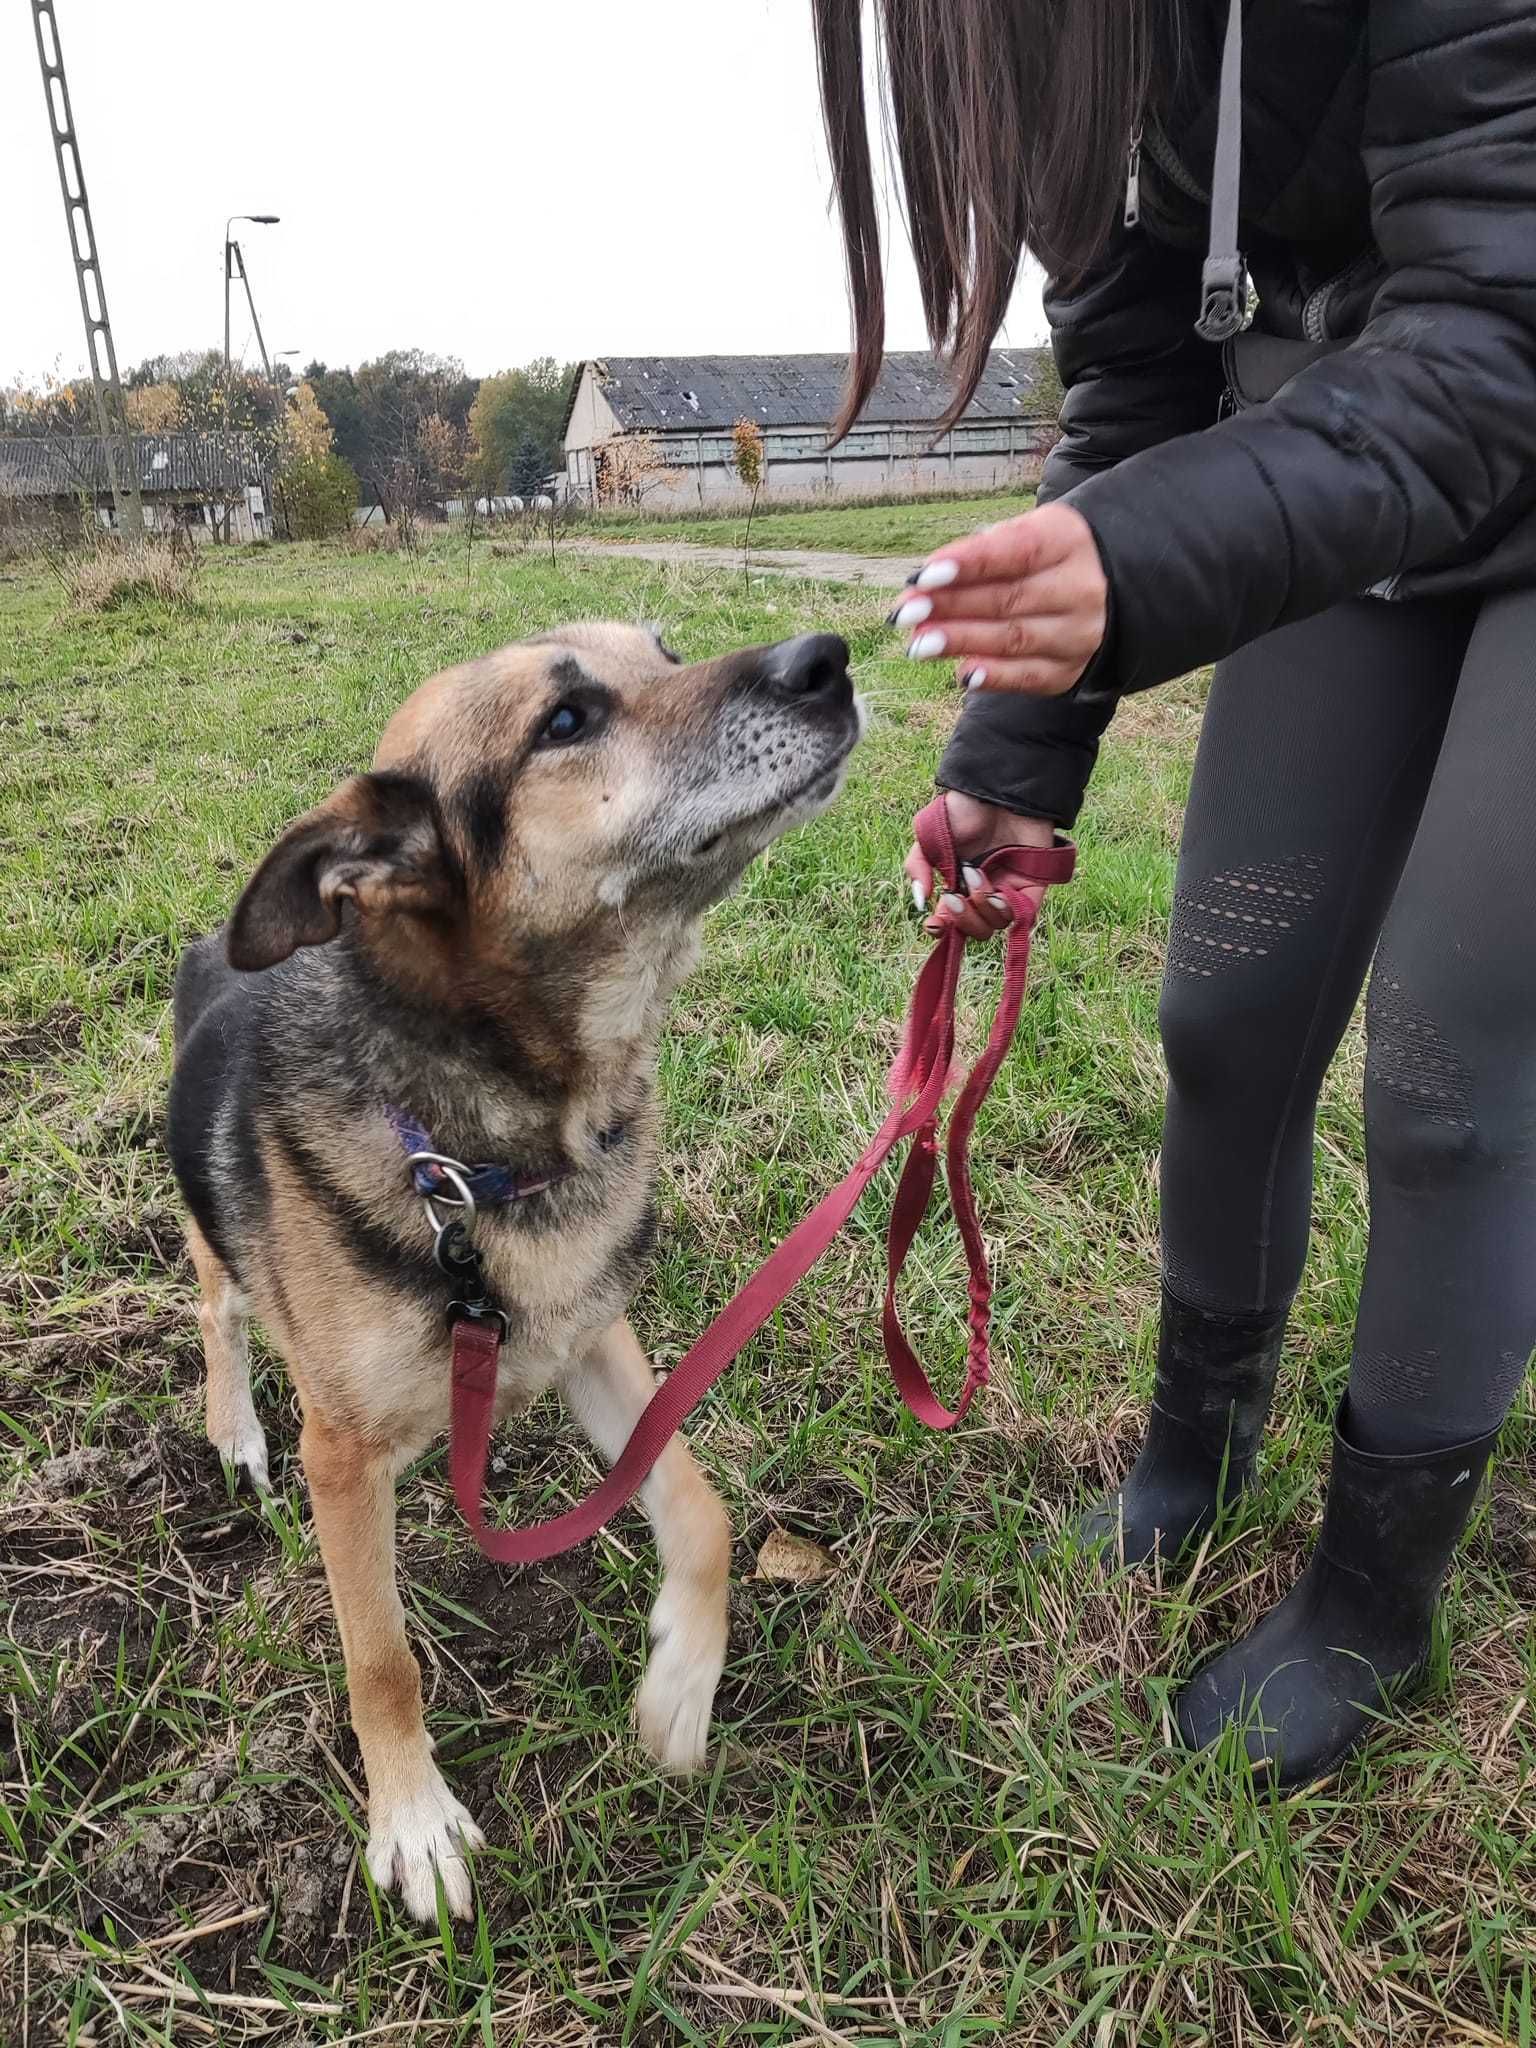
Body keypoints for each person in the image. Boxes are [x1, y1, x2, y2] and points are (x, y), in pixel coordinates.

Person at [813, 0, 1536, 1785]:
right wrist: (1008, 761)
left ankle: (1371, 1606)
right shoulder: (1071, 45)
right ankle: (1189, 1460)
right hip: (1355, 443)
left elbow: (1500, 321)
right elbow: (1139, 377)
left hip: (1500, 366)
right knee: (1224, 1008)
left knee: (1446, 1075)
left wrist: (1140, 560)